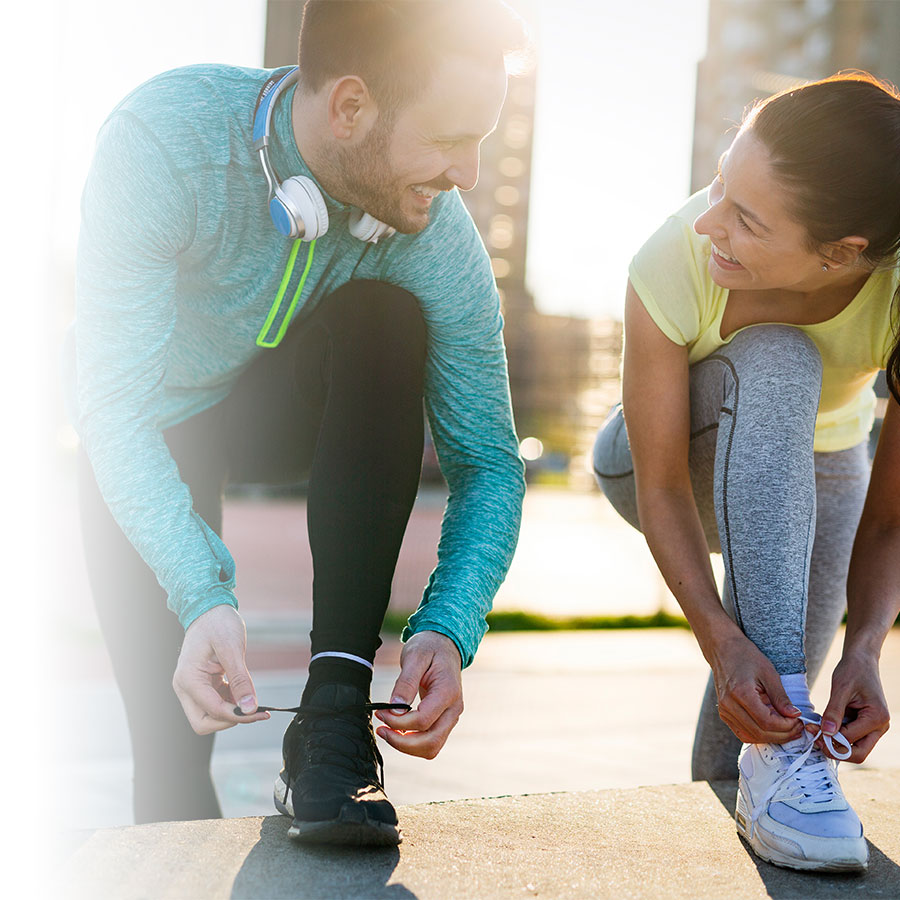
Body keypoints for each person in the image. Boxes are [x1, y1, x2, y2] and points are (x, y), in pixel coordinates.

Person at [68, 0, 530, 846]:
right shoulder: (165, 141)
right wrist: (201, 594)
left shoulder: (435, 237)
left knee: (384, 318)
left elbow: (490, 462)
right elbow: (112, 407)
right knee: (170, 764)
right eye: (452, 137)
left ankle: (331, 721)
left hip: (278, 412)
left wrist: (448, 622)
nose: (468, 172)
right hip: (149, 436)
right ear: (349, 107)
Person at [593, 72, 900, 873]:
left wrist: (866, 648)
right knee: (777, 357)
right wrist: (716, 637)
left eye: (745, 218)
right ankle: (768, 747)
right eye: (721, 183)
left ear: (842, 255)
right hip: (656, 466)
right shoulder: (672, 255)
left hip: (826, 467)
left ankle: (746, 802)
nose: (708, 222)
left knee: (782, 677)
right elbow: (658, 484)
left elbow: (891, 516)